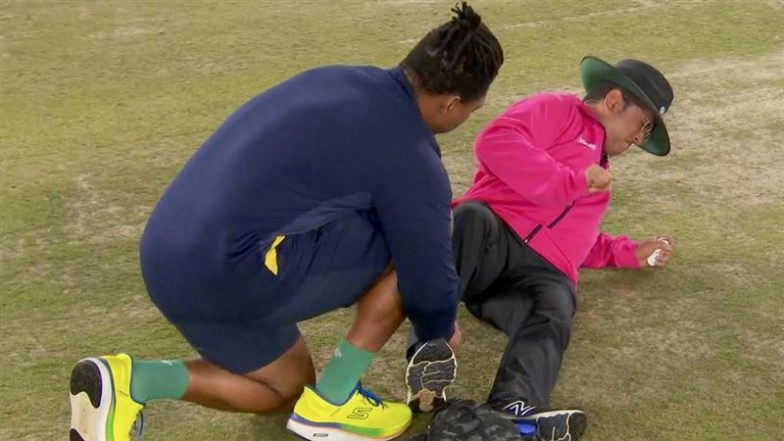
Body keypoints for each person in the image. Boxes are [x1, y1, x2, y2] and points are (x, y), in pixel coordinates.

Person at [67, 3, 504, 441]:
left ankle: (130, 382)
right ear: (450, 104)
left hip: (165, 257)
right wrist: (440, 331)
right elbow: (428, 277)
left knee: (285, 389)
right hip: (230, 270)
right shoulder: (411, 155)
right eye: (472, 109)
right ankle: (334, 403)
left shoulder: (336, 78)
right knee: (419, 237)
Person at [447, 56, 676, 440]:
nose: (640, 139)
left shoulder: (599, 179)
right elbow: (494, 142)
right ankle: (432, 340)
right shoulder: (555, 109)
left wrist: (626, 252)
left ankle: (511, 408)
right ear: (615, 101)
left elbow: (575, 241)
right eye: (644, 125)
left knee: (558, 304)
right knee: (470, 217)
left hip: (526, 282)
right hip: (490, 243)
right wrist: (567, 182)